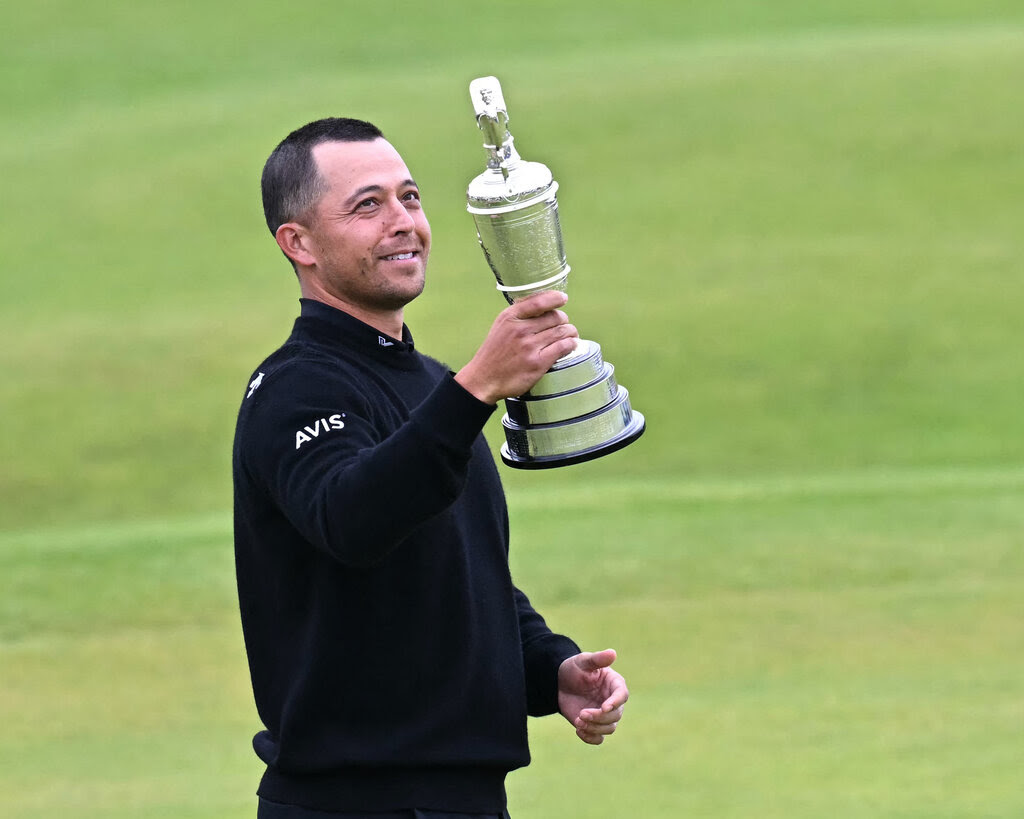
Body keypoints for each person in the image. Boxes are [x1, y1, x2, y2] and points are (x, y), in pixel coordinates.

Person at [232, 117, 629, 818]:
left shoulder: (430, 385)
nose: (403, 222)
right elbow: (353, 518)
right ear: (299, 243)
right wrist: (475, 388)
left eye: (410, 198)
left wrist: (549, 668)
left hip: (464, 799)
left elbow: (462, 574)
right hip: (351, 804)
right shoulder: (295, 388)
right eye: (368, 205)